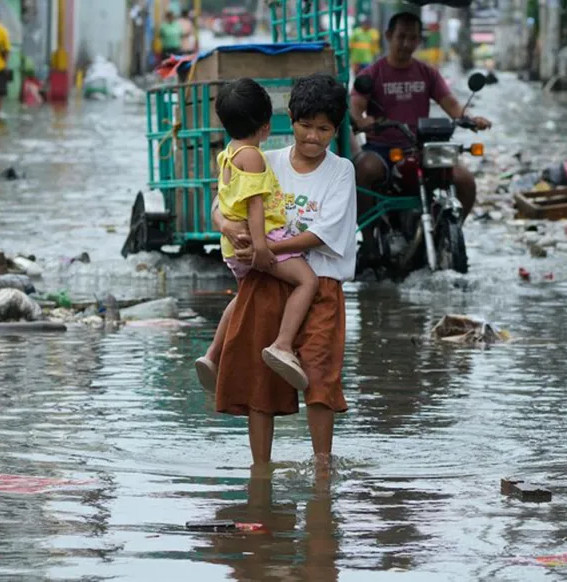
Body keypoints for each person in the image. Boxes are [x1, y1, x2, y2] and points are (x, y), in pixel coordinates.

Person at [210, 73, 355, 470]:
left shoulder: (341, 171)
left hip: (321, 283)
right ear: (289, 120)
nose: (313, 137)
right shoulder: (264, 159)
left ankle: (322, 466)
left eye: (323, 129)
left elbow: (322, 234)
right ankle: (261, 469)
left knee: (319, 375)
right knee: (261, 380)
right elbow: (221, 204)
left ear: (336, 130)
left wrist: (265, 249)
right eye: (305, 126)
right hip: (267, 280)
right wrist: (228, 229)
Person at [195, 78, 320, 392]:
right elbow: (254, 206)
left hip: (232, 246)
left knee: (242, 298)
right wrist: (263, 249)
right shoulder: (252, 156)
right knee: (307, 281)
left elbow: (225, 200)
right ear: (266, 126)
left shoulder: (228, 153)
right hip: (260, 240)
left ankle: (212, 356)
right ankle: (283, 344)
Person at [349, 12, 491, 221]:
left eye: (413, 38)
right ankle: (369, 237)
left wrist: (471, 119)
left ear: (418, 40)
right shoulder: (372, 74)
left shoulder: (427, 73)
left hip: (421, 148)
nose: (407, 44)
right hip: (383, 149)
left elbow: (451, 104)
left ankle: (451, 233)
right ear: (388, 36)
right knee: (365, 170)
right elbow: (355, 107)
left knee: (466, 181)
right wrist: (361, 121)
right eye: (401, 36)